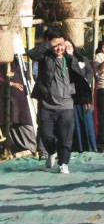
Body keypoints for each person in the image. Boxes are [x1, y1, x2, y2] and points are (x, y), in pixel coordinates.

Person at [27, 28, 85, 173]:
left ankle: (63, 164)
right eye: (55, 45)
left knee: (66, 137)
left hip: (66, 105)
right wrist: (49, 44)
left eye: (61, 44)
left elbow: (81, 76)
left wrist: (71, 56)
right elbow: (31, 54)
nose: (59, 48)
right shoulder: (45, 57)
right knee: (46, 135)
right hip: (46, 104)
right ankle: (52, 151)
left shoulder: (70, 59)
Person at [0, 56, 37, 156]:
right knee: (10, 124)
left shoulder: (17, 62)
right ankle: (15, 148)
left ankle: (30, 147)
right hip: (5, 98)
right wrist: (9, 83)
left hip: (19, 99)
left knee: (23, 121)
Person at [64, 40, 96, 153]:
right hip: (71, 93)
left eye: (69, 45)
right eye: (65, 46)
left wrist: (86, 80)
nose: (68, 48)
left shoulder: (83, 59)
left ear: (73, 47)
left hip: (84, 92)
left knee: (87, 120)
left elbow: (90, 72)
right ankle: (79, 147)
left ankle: (91, 146)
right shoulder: (63, 60)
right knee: (75, 121)